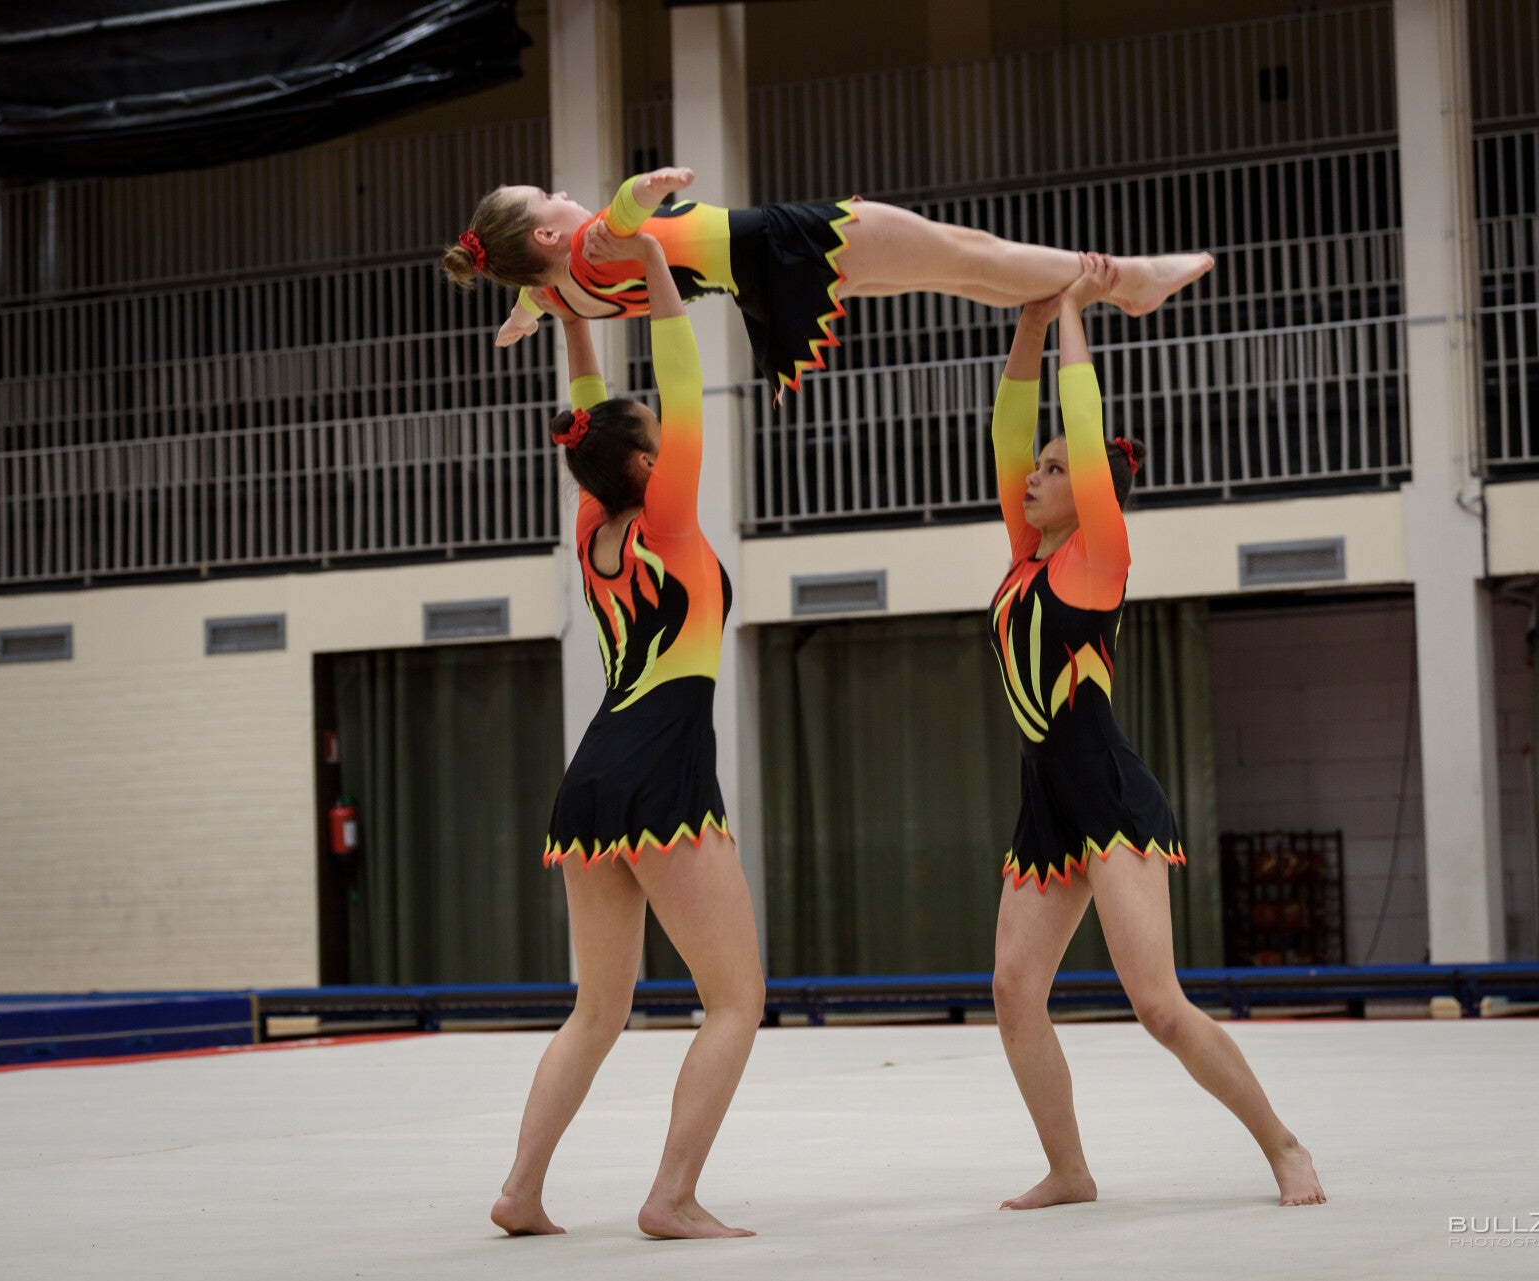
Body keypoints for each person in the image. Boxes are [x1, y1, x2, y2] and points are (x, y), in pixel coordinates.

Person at [985, 254, 1326, 1210]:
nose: (1035, 476)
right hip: (1046, 801)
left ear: (1092, 489)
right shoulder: (1025, 555)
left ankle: (1283, 1144)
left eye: (1056, 470)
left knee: (1158, 1007)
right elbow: (1010, 426)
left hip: (1107, 795)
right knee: (1013, 989)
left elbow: (1079, 423)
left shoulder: (1097, 558)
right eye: (1039, 468)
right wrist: (1031, 316)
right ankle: (1069, 1169)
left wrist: (1074, 312)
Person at [490, 220, 765, 1241]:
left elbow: (589, 417)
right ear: (649, 462)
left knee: (596, 1008)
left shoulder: (593, 530)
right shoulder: (669, 526)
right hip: (661, 779)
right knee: (734, 999)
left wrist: (572, 318)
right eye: (655, 437)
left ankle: (520, 1191)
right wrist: (652, 268)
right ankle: (671, 1196)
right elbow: (682, 386)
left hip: (590, 780)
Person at [440, 167, 1213, 397]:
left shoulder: (558, 292)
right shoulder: (593, 248)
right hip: (788, 242)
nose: (561, 193)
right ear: (548, 236)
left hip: (766, 276)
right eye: (547, 198)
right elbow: (622, 211)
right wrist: (649, 186)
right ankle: (1130, 279)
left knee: (960, 271)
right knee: (968, 254)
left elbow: (529, 299)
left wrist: (519, 320)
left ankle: (1095, 287)